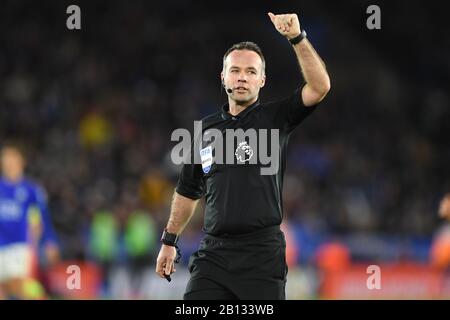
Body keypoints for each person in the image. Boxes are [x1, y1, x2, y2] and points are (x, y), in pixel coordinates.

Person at [156, 12, 330, 299]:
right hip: (213, 254)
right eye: (235, 70)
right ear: (223, 77)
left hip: (261, 256)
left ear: (262, 80)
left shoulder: (276, 118)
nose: (242, 78)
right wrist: (169, 241)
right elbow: (187, 191)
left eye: (251, 72)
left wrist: (297, 39)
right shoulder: (205, 130)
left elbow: (320, 87)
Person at [0, 142, 59, 299]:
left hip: (19, 245)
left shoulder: (31, 190)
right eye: (5, 157)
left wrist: (50, 241)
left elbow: (43, 217)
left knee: (16, 285)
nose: (8, 161)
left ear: (21, 161)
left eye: (12, 157)